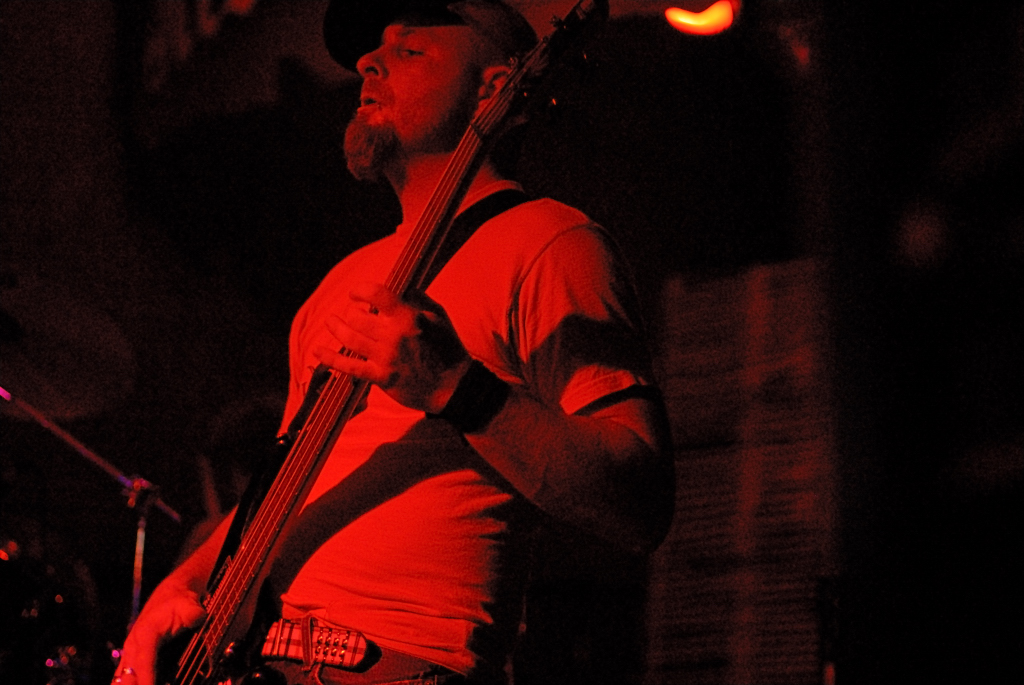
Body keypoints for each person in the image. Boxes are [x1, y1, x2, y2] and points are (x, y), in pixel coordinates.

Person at [112, 2, 673, 684]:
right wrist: (184, 583)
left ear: (494, 88)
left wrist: (456, 387)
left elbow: (640, 505)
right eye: (373, 49)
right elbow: (287, 489)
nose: (368, 63)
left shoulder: (551, 242)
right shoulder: (340, 282)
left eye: (409, 50)